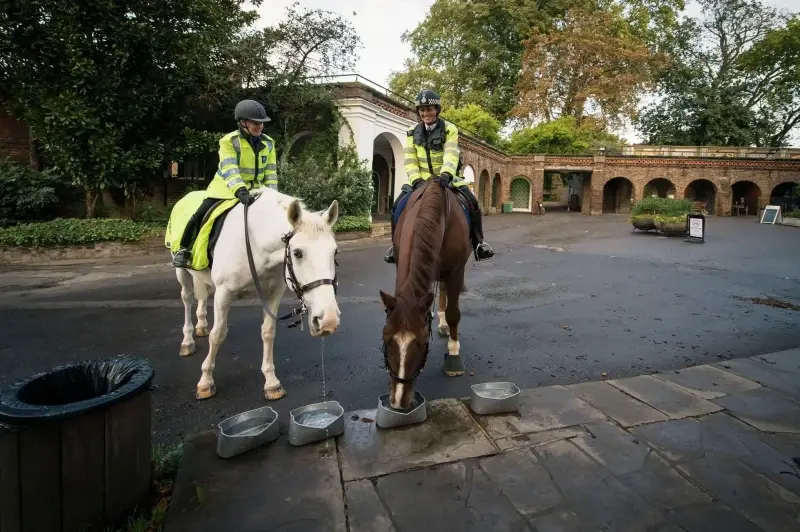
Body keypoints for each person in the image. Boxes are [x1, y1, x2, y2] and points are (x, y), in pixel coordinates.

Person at [384, 89, 494, 264]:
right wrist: (416, 179)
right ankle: (394, 246)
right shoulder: (411, 132)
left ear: (437, 110)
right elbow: (410, 159)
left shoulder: (450, 129)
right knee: (398, 205)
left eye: (429, 109)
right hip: (420, 181)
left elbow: (451, 153)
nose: (426, 113)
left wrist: (446, 174)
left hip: (446, 179)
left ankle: (479, 243)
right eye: (422, 110)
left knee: (472, 201)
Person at [172, 99, 278, 268]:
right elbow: (230, 170)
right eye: (255, 123)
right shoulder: (229, 141)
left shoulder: (269, 143)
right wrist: (240, 190)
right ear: (242, 123)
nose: (260, 126)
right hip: (226, 188)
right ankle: (183, 250)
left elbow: (271, 173)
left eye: (262, 123)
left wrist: (273, 196)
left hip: (256, 190)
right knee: (201, 214)